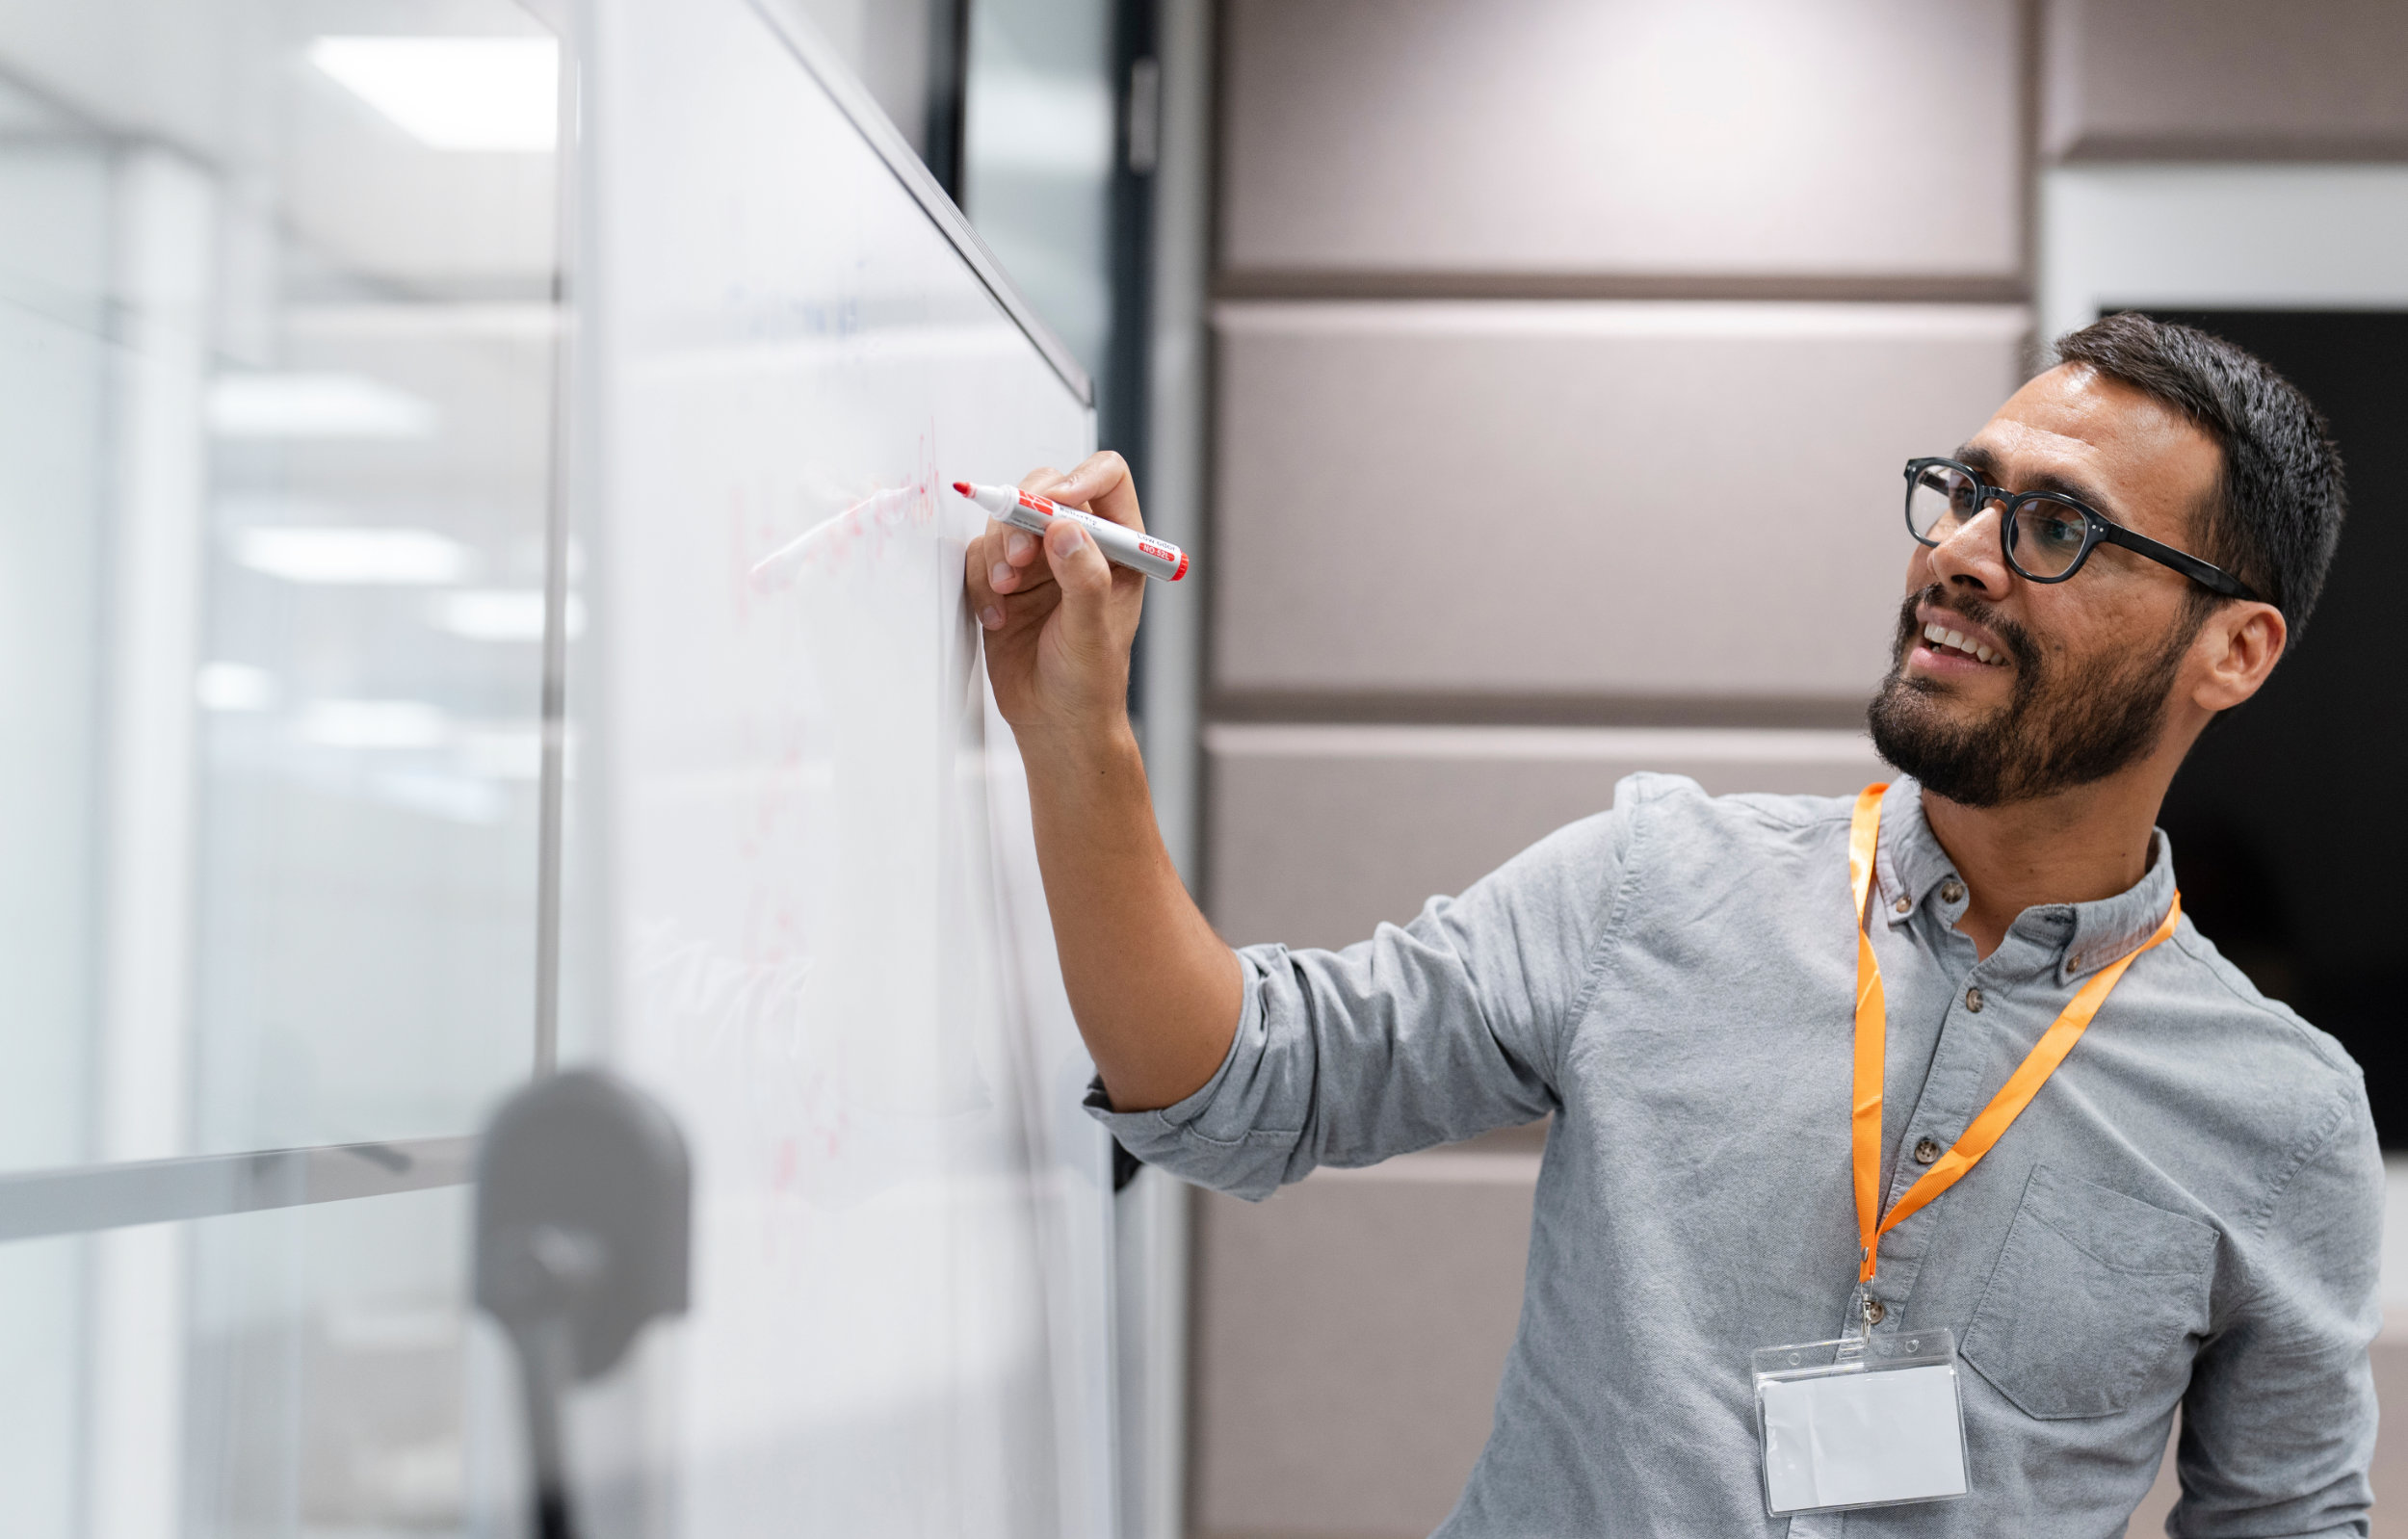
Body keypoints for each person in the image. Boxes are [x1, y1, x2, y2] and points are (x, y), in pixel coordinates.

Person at [963, 312, 2378, 1537]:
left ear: (2233, 649)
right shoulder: (1657, 882)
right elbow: (1240, 1084)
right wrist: (1079, 732)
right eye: (1965, 493)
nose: (1958, 553)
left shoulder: (2283, 1122)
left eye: (2054, 527)